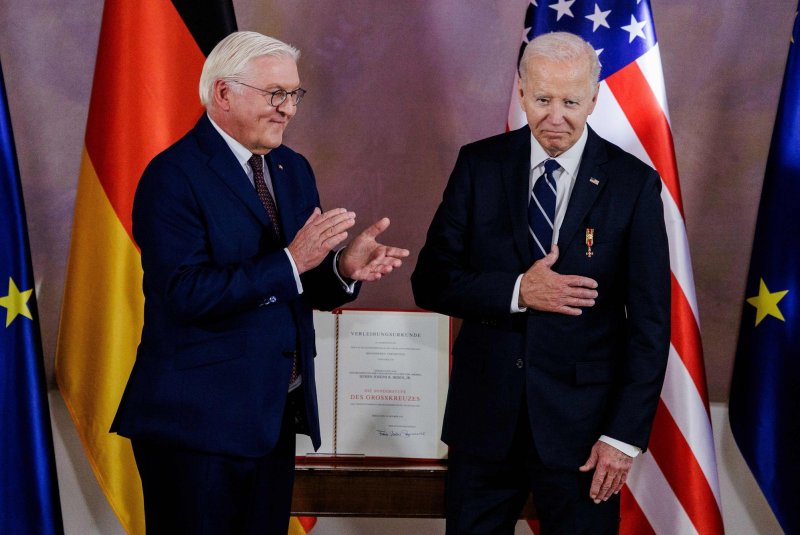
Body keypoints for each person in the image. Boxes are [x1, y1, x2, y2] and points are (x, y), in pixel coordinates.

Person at [111, 31, 409, 534]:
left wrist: (340, 270)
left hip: (271, 418)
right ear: (224, 93)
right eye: (275, 94)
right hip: (195, 425)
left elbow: (294, 285)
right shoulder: (171, 176)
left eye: (294, 94)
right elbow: (185, 293)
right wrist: (293, 260)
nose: (288, 109)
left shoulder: (293, 169)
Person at [411, 31, 670, 534]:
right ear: (522, 92)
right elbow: (431, 282)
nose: (556, 116)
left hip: (584, 433)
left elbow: (651, 324)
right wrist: (516, 291)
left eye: (571, 101)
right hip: (484, 423)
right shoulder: (478, 165)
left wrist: (622, 437)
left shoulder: (632, 184)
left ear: (594, 97)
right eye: (544, 99)